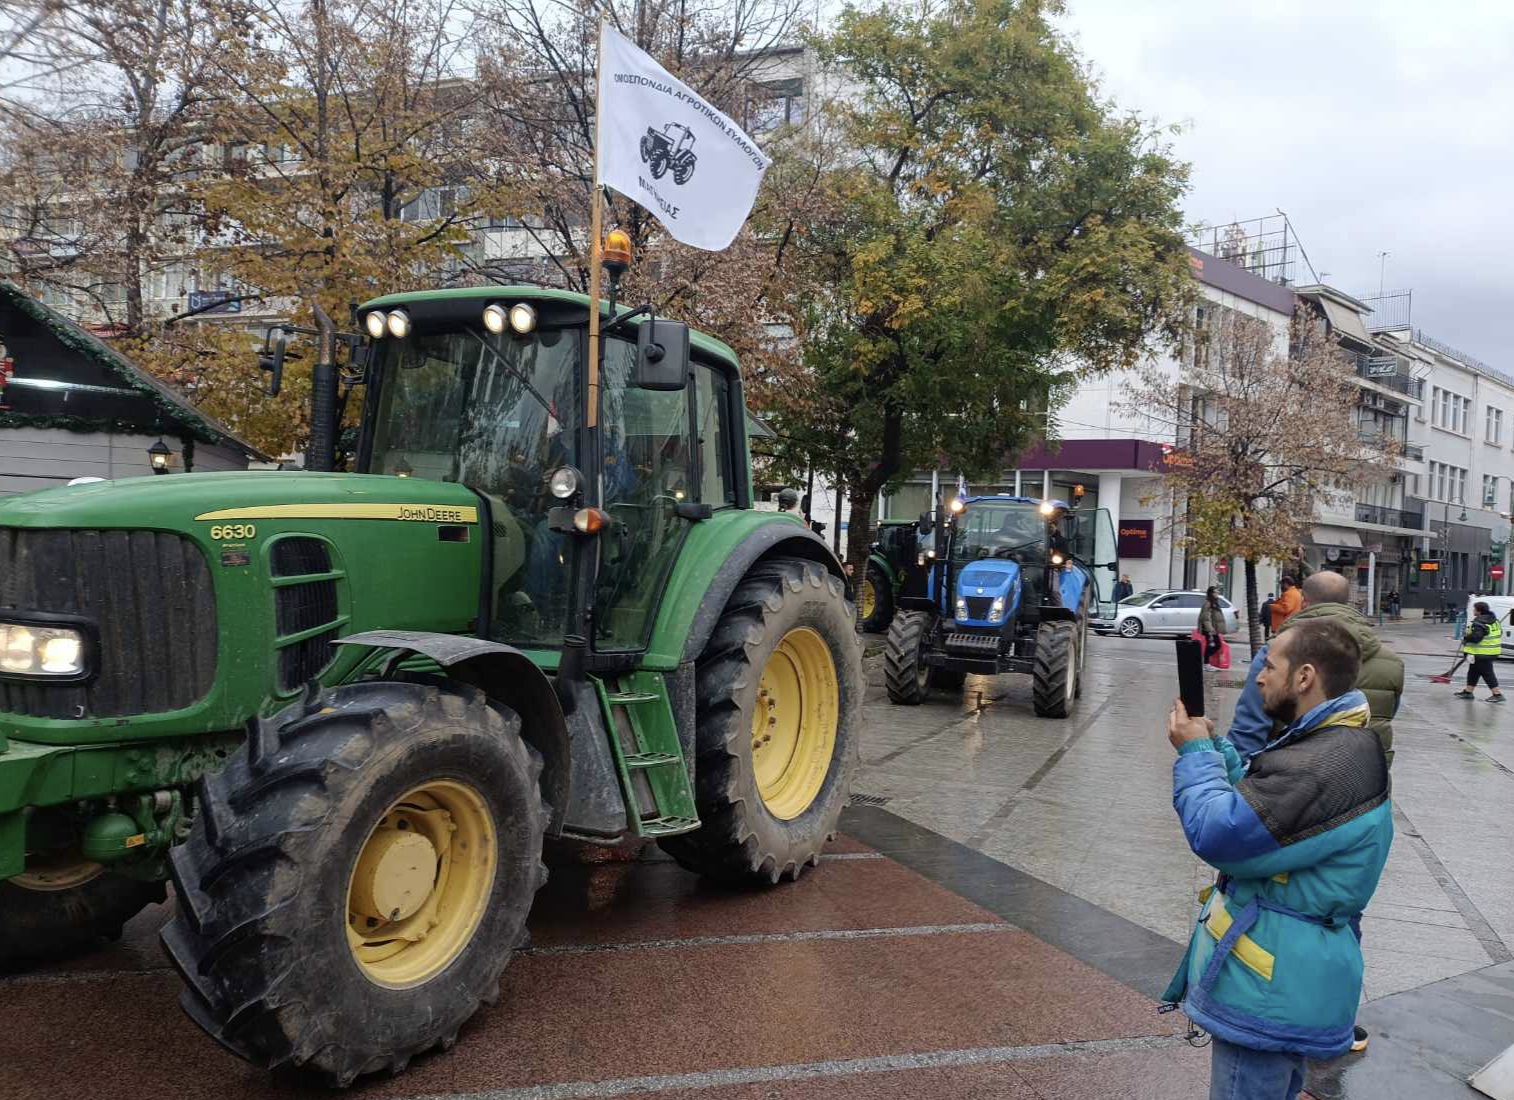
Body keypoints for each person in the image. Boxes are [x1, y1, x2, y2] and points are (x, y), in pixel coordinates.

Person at [1164, 619, 1393, 1100]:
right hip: (1295, 975)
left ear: (1305, 677)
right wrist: (1217, 749)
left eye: (1269, 666)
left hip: (1268, 984)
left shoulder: (1318, 764)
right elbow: (1265, 805)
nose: (1259, 677)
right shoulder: (1340, 742)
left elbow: (1220, 833)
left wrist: (1195, 755)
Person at [1454, 601, 1505, 702]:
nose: (1473, 611)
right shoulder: (1494, 621)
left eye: (1474, 609)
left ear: (1479, 611)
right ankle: (1468, 692)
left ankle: (1497, 694)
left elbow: (1476, 638)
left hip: (1482, 653)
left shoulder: (1479, 623)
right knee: (1473, 671)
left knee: (1487, 673)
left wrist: (1466, 637)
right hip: (1491, 651)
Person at [1198, 586, 1226, 669]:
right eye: (1215, 592)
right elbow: (1205, 617)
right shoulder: (1208, 603)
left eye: (1218, 592)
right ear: (1211, 593)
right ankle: (1206, 663)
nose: (1217, 594)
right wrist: (1210, 629)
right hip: (1209, 629)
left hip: (1212, 628)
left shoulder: (1214, 602)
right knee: (1214, 645)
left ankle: (1206, 662)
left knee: (1213, 645)